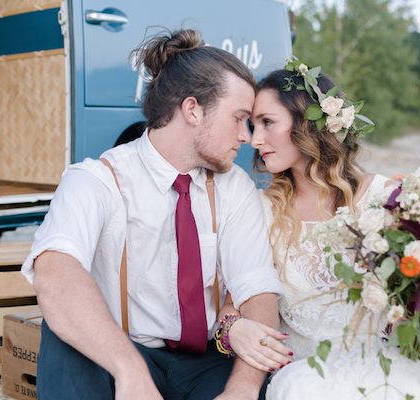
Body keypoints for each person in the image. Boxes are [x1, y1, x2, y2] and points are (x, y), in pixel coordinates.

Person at [20, 29, 292, 400]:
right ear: (193, 110)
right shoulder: (97, 179)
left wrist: (241, 391)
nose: (247, 136)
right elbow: (55, 275)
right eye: (239, 118)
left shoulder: (234, 186)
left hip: (207, 360)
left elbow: (257, 290)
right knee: (62, 333)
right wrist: (129, 370)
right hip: (123, 350)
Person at [218, 62, 420, 399]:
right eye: (252, 124)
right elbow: (231, 307)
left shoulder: (387, 199)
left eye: (267, 123)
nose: (255, 139)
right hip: (307, 375)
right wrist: (235, 328)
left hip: (389, 366)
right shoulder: (260, 211)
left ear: (307, 123)